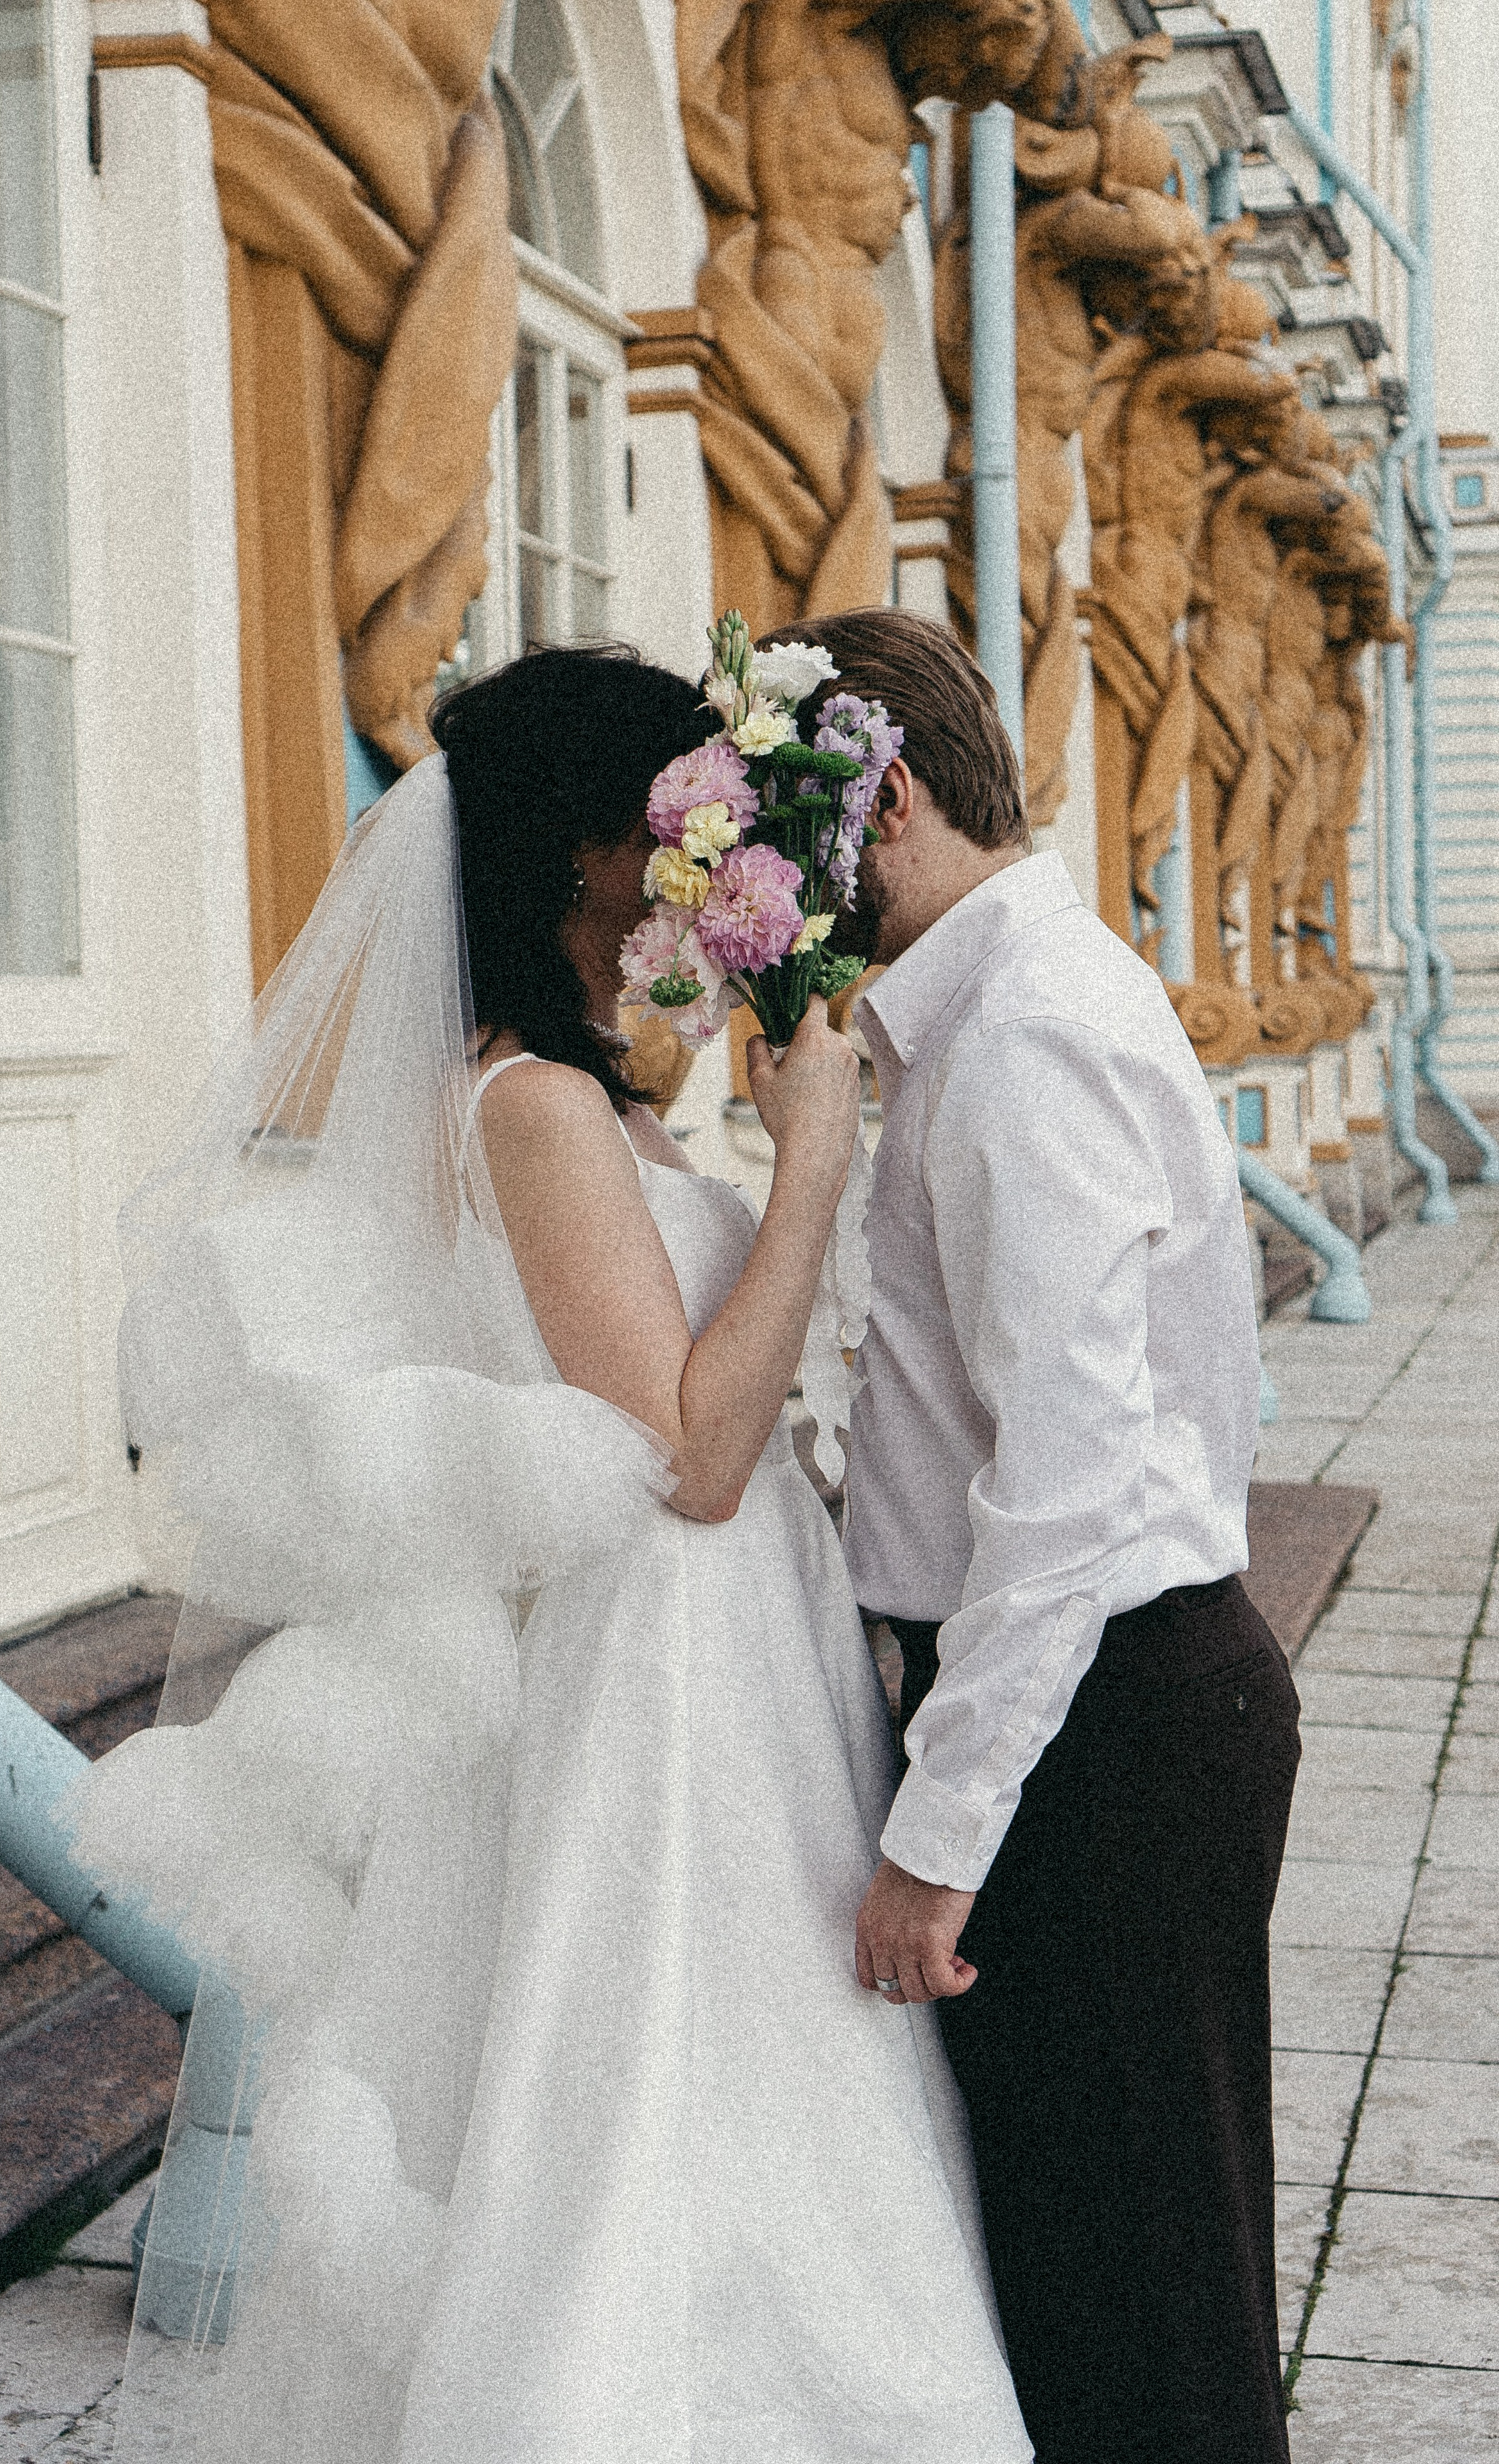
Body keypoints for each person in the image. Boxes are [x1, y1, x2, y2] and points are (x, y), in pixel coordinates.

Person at [66, 645, 1031, 2464]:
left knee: (751, 2089)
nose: (704, 839)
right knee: (653, 2087)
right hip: (662, 1663)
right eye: (676, 808)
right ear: (588, 848)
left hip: (733, 1658)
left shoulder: (608, 1095)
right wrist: (812, 1159)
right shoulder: (531, 1104)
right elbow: (683, 1456)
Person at [773, 606, 1302, 2464]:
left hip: (1105, 1731)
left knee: (1145, 2320)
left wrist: (939, 1834)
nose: (774, 901)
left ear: (886, 796)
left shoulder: (1022, 1039)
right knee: (1106, 2297)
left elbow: (1070, 1489)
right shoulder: (1004, 1010)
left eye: (782, 845)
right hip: (1113, 1709)